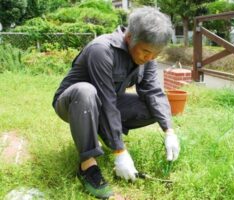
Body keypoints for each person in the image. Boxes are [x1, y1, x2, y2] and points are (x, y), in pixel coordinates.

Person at [52, 7, 180, 199]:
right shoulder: (101, 49)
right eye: (146, 51)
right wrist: (120, 152)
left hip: (105, 101)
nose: (150, 58)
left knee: (154, 107)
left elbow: (153, 91)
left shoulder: (149, 56)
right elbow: (105, 99)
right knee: (87, 91)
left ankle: (106, 134)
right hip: (74, 103)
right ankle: (87, 165)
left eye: (156, 54)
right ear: (129, 38)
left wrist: (169, 131)